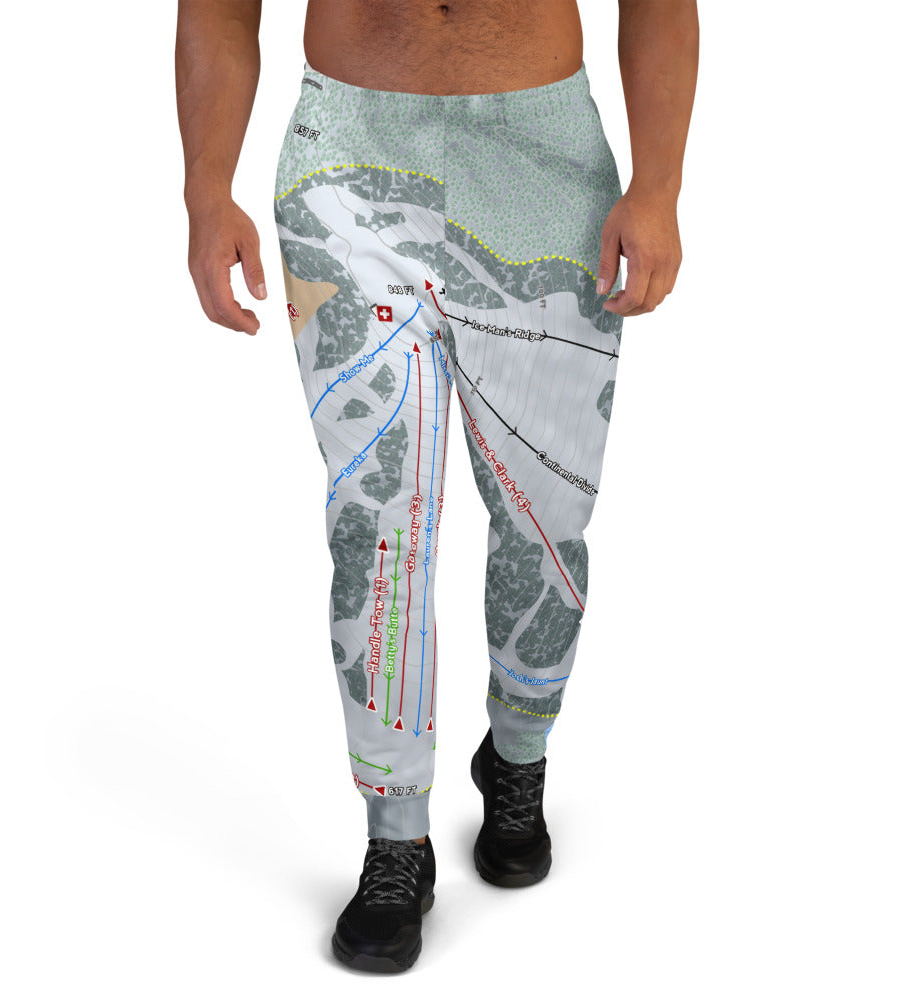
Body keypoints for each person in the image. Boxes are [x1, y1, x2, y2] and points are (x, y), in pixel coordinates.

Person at [176, 0, 698, 973]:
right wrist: (208, 187)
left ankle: (519, 753)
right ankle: (395, 836)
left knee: (546, 511)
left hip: (544, 157)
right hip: (347, 155)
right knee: (376, 519)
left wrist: (659, 183)